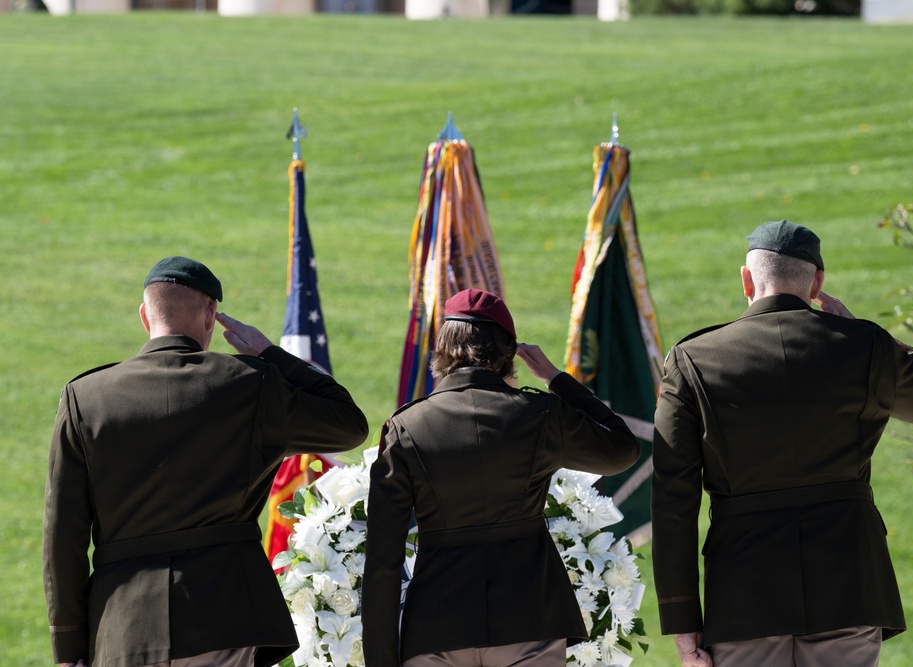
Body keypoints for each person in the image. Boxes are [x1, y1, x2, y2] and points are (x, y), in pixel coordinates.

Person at [651, 221, 913, 667]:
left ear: (746, 280)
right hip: (848, 587)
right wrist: (870, 336)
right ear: (817, 282)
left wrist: (682, 621)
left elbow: (672, 503)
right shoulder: (863, 347)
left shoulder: (691, 361)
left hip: (744, 595)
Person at [43, 256, 370, 667]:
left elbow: (63, 537)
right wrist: (272, 354)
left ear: (145, 316)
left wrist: (68, 649)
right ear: (211, 315)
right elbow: (349, 424)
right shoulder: (251, 384)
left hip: (123, 630)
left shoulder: (84, 398)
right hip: (225, 620)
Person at [362, 288, 640, 667]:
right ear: (509, 354)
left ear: (442, 349)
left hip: (438, 628)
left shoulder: (406, 427)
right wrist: (557, 379)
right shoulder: (540, 414)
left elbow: (383, 556)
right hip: (530, 623)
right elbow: (622, 449)